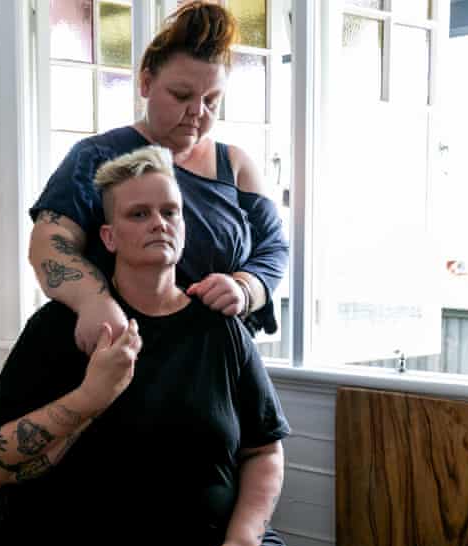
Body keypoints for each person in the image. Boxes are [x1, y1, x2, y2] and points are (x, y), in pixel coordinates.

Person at [0, 146, 293, 546]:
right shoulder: (60, 327)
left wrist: (241, 542)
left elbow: (264, 450)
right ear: (108, 236)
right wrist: (90, 397)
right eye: (139, 214)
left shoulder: (221, 329)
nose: (159, 223)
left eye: (170, 212)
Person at [30, 1, 289, 354]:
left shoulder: (236, 165)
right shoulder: (95, 157)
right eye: (181, 95)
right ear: (147, 82)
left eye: (212, 100)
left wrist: (245, 288)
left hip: (216, 358)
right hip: (120, 351)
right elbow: (49, 243)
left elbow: (273, 248)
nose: (198, 112)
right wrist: (94, 301)